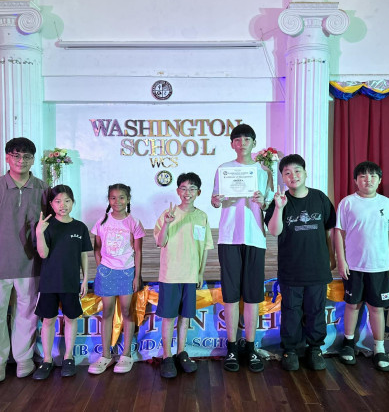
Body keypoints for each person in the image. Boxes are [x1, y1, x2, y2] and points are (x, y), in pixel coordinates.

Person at [0, 137, 48, 383]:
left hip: (30, 263)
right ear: (7, 157)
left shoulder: (44, 189)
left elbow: (47, 226)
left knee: (27, 312)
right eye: (16, 155)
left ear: (33, 160)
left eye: (26, 156)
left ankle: (24, 357)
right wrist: (1, 238)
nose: (21, 160)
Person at [265, 154, 336, 371]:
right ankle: (290, 350)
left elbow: (329, 230)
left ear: (305, 173)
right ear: (283, 178)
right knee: (291, 311)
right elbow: (274, 231)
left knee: (316, 310)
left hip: (317, 267)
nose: (293, 176)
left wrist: (332, 257)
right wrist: (279, 207)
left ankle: (315, 349)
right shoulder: (279, 201)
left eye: (297, 171)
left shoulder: (320, 198)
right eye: (287, 173)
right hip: (291, 269)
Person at [211, 123, 271, 372]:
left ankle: (251, 346)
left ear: (254, 143)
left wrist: (263, 201)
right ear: (232, 144)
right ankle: (232, 347)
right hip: (229, 237)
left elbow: (269, 204)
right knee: (231, 295)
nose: (242, 143)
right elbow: (216, 200)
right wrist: (216, 200)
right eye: (238, 139)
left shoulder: (263, 171)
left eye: (247, 139)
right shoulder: (223, 169)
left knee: (253, 295)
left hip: (255, 237)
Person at [334, 161, 389, 372]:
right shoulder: (347, 203)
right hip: (354, 266)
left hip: (379, 266)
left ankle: (379, 348)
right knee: (352, 305)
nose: (367, 180)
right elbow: (338, 233)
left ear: (379, 180)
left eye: (372, 176)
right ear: (355, 180)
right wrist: (341, 261)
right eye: (362, 176)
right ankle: (348, 343)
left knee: (376, 308)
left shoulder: (387, 204)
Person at [154, 172, 214, 378]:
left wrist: (200, 273)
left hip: (190, 275)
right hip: (170, 274)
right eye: (184, 188)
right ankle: (167, 356)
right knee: (169, 317)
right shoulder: (168, 214)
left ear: (199, 192)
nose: (187, 192)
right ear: (178, 191)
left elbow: (204, 247)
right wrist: (168, 223)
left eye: (192, 188)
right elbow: (160, 242)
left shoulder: (202, 216)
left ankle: (181, 352)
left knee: (185, 317)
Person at [32, 185, 92, 380]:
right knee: (48, 320)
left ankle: (68, 357)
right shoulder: (46, 225)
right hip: (49, 283)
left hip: (71, 282)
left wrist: (85, 279)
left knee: (71, 319)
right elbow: (43, 254)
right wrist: (39, 233)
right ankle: (47, 359)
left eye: (67, 201)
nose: (63, 205)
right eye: (58, 201)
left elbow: (83, 255)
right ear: (51, 204)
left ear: (73, 202)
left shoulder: (80, 227)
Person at [88, 184, 145, 375]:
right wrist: (101, 268)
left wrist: (136, 276)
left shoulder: (134, 222)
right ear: (108, 200)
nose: (117, 201)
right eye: (113, 197)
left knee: (127, 311)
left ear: (128, 199)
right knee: (107, 312)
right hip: (107, 272)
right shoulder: (102, 221)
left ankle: (126, 354)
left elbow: (138, 251)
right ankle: (106, 355)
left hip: (127, 272)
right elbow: (97, 248)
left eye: (121, 197)